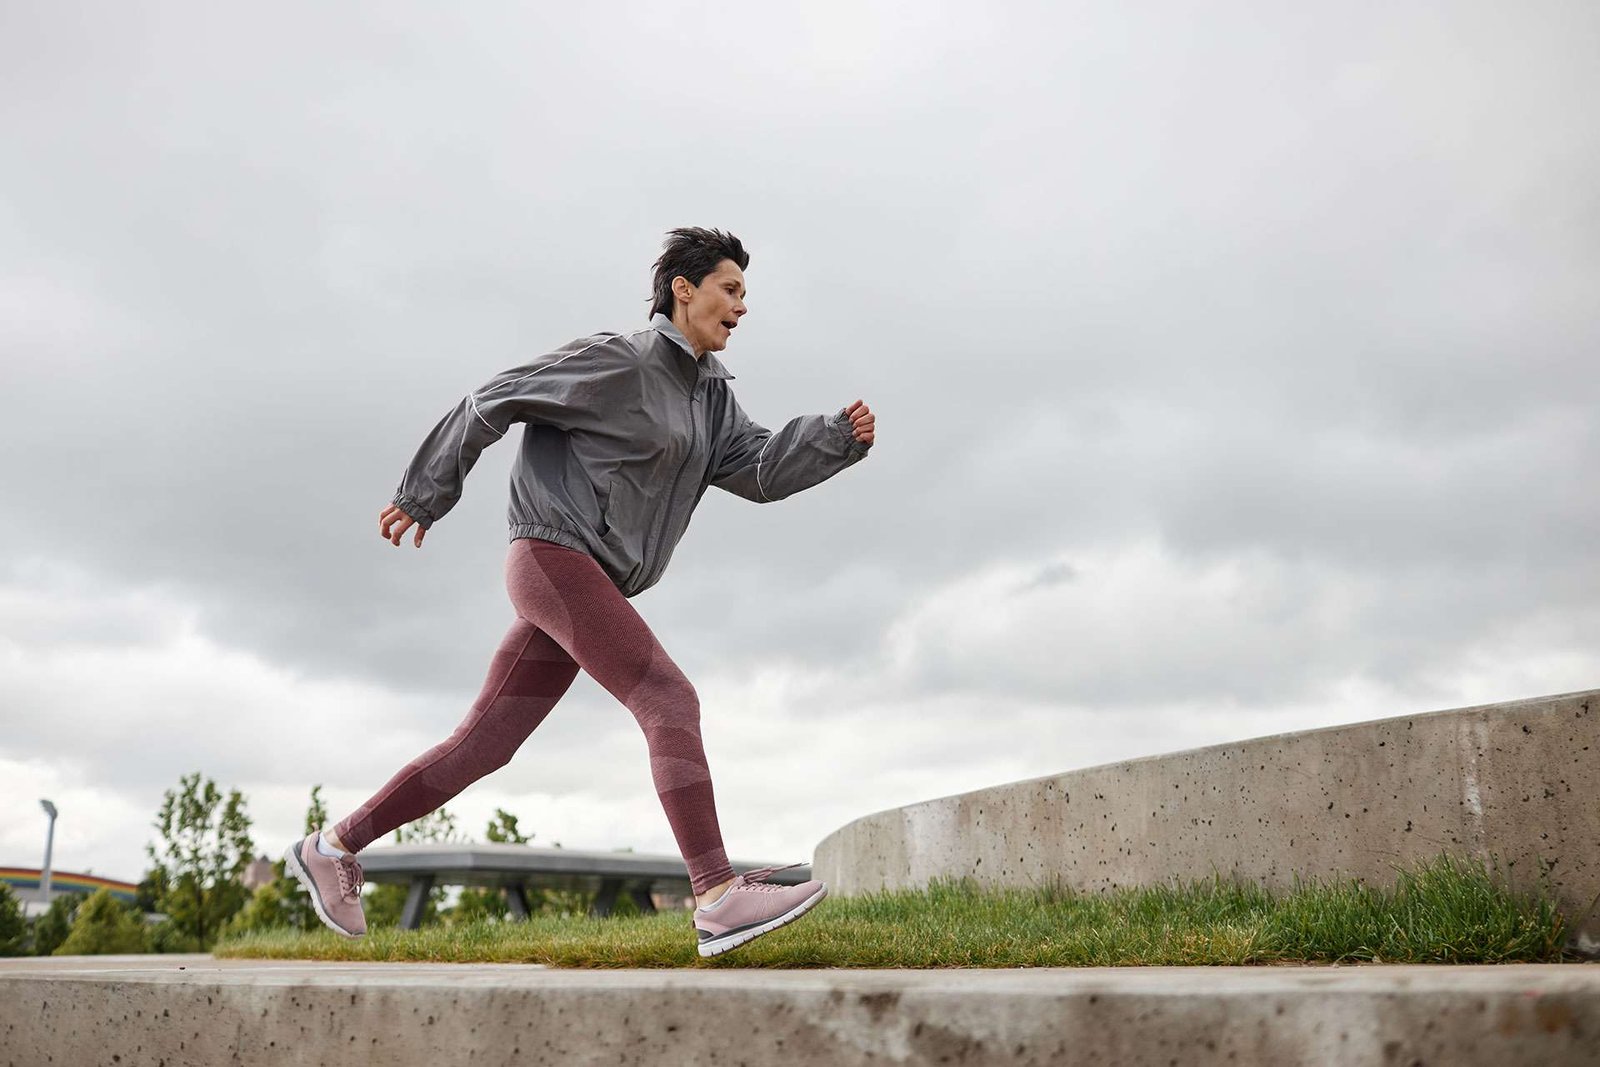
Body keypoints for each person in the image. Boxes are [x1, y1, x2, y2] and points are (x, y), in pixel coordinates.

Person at [283, 227, 876, 957]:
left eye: (746, 295)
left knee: (484, 743)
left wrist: (834, 438)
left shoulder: (711, 398)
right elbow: (492, 398)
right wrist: (425, 492)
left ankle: (334, 845)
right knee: (667, 696)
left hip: (588, 579)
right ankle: (718, 894)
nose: (742, 307)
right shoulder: (617, 360)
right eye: (731, 289)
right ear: (684, 289)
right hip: (551, 553)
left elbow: (756, 470)